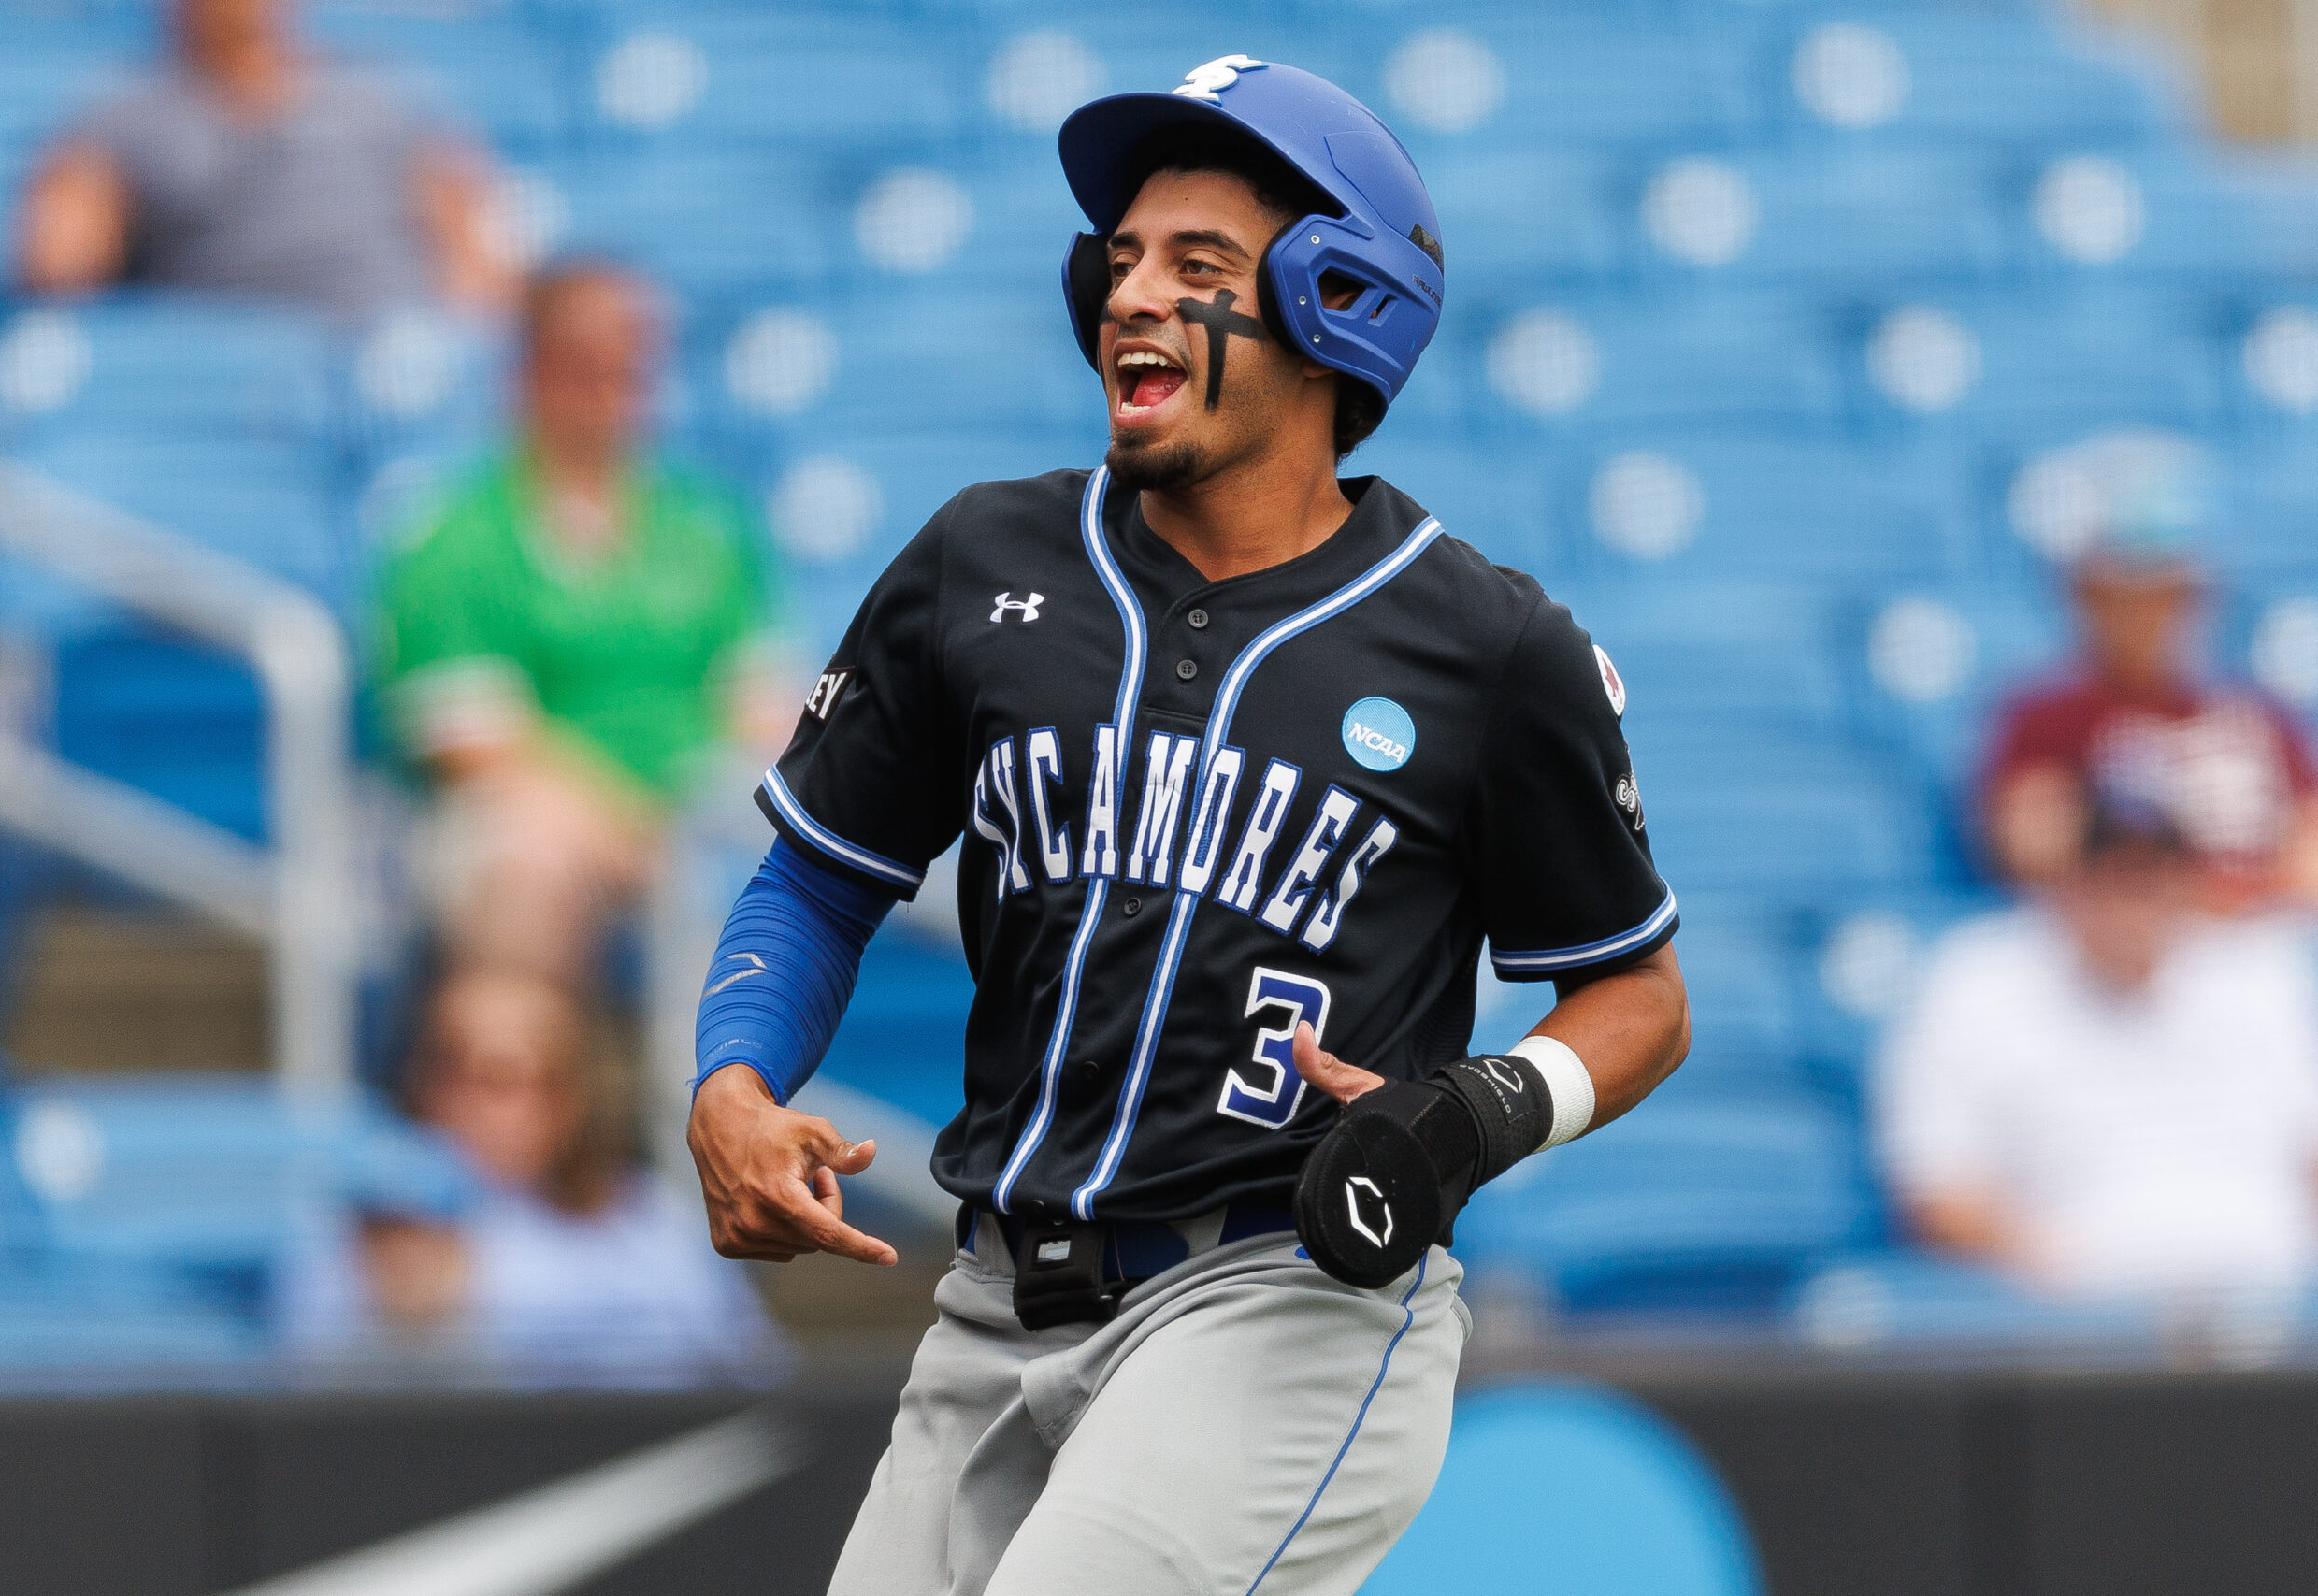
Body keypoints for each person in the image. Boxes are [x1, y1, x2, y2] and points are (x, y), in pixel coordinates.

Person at [686, 59, 1691, 1595]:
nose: (1128, 298)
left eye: (1195, 269)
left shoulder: (1484, 647)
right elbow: (819, 879)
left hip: (1283, 1292)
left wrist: (1478, 1110)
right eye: (1120, 261)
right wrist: (735, 1082)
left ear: (1332, 303)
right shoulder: (984, 560)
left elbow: (1640, 994)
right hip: (991, 1295)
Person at [374, 260, 793, 1005]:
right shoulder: (455, 539)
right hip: (535, 815)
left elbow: (763, 707)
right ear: (529, 376)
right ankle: (534, 1104)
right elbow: (477, 751)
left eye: (627, 371)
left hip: (692, 807)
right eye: (583, 370)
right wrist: (641, 845)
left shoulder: (704, 525)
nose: (610, 397)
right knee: (524, 865)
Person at [1878, 799, 2318, 1301]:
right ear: (2068, 884)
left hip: (2274, 1290)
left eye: (2153, 880)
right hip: (2080, 1306)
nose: (2134, 906)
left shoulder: (2256, 971)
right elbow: (1938, 1189)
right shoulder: (1975, 978)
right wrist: (2051, 1272)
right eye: (2113, 880)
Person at [280, 971, 793, 1385]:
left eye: (517, 1078)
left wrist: (472, 1288)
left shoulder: (655, 1221)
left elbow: (761, 1376)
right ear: (424, 1085)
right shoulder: (367, 1228)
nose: (480, 1103)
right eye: (461, 1073)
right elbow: (304, 1369)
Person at [13, 0, 512, 320]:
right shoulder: (123, 113)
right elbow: (56, 269)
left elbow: (478, 272)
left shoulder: (384, 97)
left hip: (394, 351)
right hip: (231, 384)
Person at [1980, 518, 2318, 913]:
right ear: (2087, 600)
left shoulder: (2255, 714)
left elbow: (2309, 857)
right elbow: (2029, 851)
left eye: (2166, 596)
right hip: (2101, 949)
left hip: (2250, 940)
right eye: (2124, 597)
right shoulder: (2047, 716)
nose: (2147, 615)